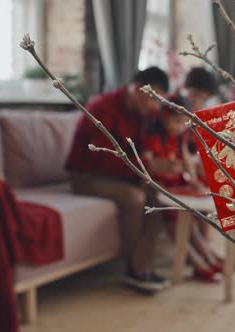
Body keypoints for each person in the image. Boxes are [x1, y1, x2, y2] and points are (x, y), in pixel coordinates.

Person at [66, 67, 171, 292]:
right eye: (153, 99)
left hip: (122, 174)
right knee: (134, 198)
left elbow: (142, 149)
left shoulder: (143, 114)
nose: (155, 107)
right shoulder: (102, 108)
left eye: (158, 102)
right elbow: (101, 159)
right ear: (137, 89)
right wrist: (142, 168)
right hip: (88, 176)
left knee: (159, 198)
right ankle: (131, 266)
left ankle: (143, 267)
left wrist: (150, 168)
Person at [143, 96, 224, 283]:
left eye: (184, 123)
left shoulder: (180, 139)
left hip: (176, 188)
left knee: (192, 223)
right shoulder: (155, 138)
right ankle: (199, 263)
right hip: (162, 190)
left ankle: (207, 258)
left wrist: (192, 180)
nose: (180, 127)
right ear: (164, 118)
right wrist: (161, 166)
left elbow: (187, 164)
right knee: (177, 220)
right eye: (176, 121)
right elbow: (148, 163)